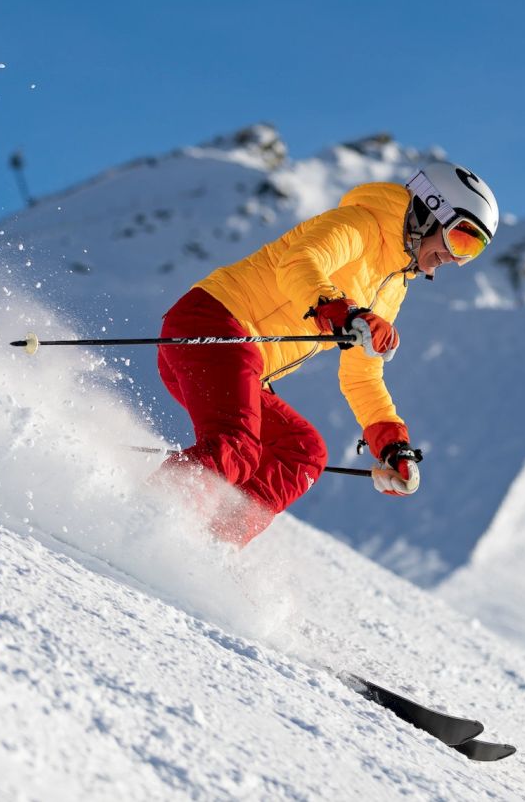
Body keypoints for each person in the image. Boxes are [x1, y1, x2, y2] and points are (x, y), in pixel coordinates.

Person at [152, 161, 499, 545]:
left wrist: (391, 443)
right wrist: (341, 310)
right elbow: (299, 262)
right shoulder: (361, 224)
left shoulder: (393, 284)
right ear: (429, 211)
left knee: (301, 452)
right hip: (214, 323)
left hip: (242, 363)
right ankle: (148, 514)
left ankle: (210, 543)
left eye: (473, 251)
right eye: (460, 239)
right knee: (238, 446)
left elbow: (361, 375)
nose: (456, 258)